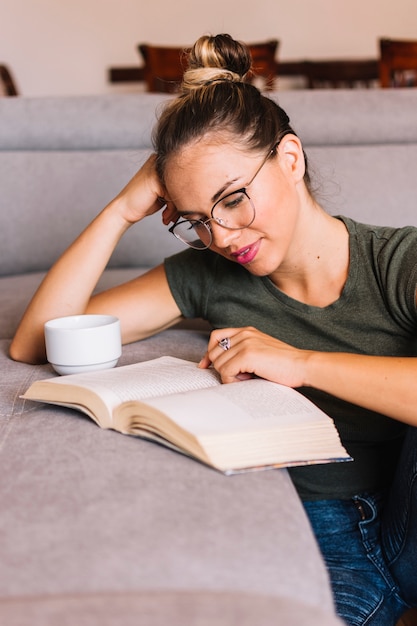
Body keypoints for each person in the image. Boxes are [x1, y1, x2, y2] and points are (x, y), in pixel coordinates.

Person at [9, 33, 417, 626]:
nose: (223, 237)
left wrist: (300, 363)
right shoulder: (209, 275)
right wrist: (122, 210)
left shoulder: (398, 261)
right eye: (198, 221)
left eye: (233, 200)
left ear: (291, 159)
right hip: (306, 528)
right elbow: (37, 340)